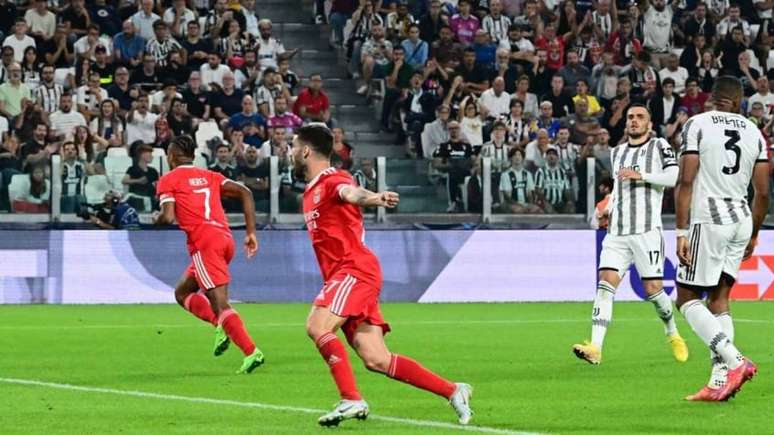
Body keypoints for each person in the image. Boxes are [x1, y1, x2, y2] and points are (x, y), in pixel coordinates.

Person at [289, 124, 472, 427]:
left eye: (294, 147)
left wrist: (374, 198)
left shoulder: (332, 179)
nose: (291, 153)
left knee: (317, 324)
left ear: (306, 151)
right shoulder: (308, 193)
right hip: (346, 274)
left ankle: (351, 398)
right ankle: (453, 391)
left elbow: (351, 193)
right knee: (376, 359)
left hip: (354, 269)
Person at [674, 76, 768, 401]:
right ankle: (718, 382)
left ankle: (735, 360)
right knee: (719, 299)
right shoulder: (755, 132)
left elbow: (686, 180)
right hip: (741, 219)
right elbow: (764, 192)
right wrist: (754, 233)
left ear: (712, 98)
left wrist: (681, 231)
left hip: (709, 219)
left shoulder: (697, 123)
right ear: (740, 101)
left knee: (685, 298)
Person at [572, 103, 688, 365]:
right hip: (617, 233)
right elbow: (619, 189)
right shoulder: (618, 152)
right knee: (605, 284)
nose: (634, 121)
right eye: (630, 117)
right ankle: (596, 347)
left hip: (646, 232)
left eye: (640, 117)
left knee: (654, 291)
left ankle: (672, 332)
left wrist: (641, 175)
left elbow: (674, 177)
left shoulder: (660, 147)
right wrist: (607, 208)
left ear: (649, 123)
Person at [154, 135, 265, 374]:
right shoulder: (210, 176)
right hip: (224, 240)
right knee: (182, 291)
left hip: (204, 244)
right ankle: (220, 325)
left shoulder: (168, 180)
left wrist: (155, 218)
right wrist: (251, 233)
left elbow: (168, 216)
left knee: (220, 304)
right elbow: (246, 192)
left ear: (171, 156)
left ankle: (251, 351)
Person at [499, 148, 542, 214]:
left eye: (519, 155)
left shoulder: (528, 174)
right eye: (515, 155)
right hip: (510, 204)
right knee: (520, 211)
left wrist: (531, 205)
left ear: (522, 158)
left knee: (538, 210)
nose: (517, 157)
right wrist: (520, 206)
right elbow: (507, 197)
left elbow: (530, 193)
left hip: (525, 204)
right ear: (511, 158)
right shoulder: (505, 175)